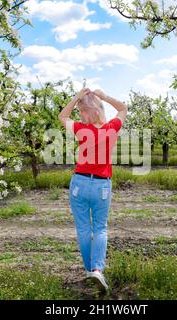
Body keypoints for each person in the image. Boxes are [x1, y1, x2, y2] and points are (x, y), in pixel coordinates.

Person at [58, 88, 127, 291]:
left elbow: (63, 115)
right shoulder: (111, 127)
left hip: (79, 183)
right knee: (100, 228)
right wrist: (104, 96)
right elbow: (123, 108)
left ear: (85, 111)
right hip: (101, 185)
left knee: (83, 229)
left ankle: (91, 271)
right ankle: (97, 270)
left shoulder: (81, 129)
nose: (80, 115)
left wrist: (76, 97)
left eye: (81, 110)